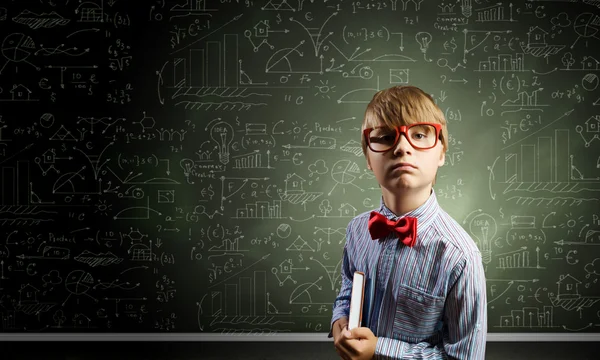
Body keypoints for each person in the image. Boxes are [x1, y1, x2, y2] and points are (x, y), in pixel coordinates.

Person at [329, 85, 487, 359]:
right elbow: (348, 286)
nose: (402, 147)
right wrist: (339, 319)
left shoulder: (459, 256)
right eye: (386, 136)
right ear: (368, 157)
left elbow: (464, 356)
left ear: (441, 153)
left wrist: (379, 349)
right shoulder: (357, 230)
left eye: (419, 134)